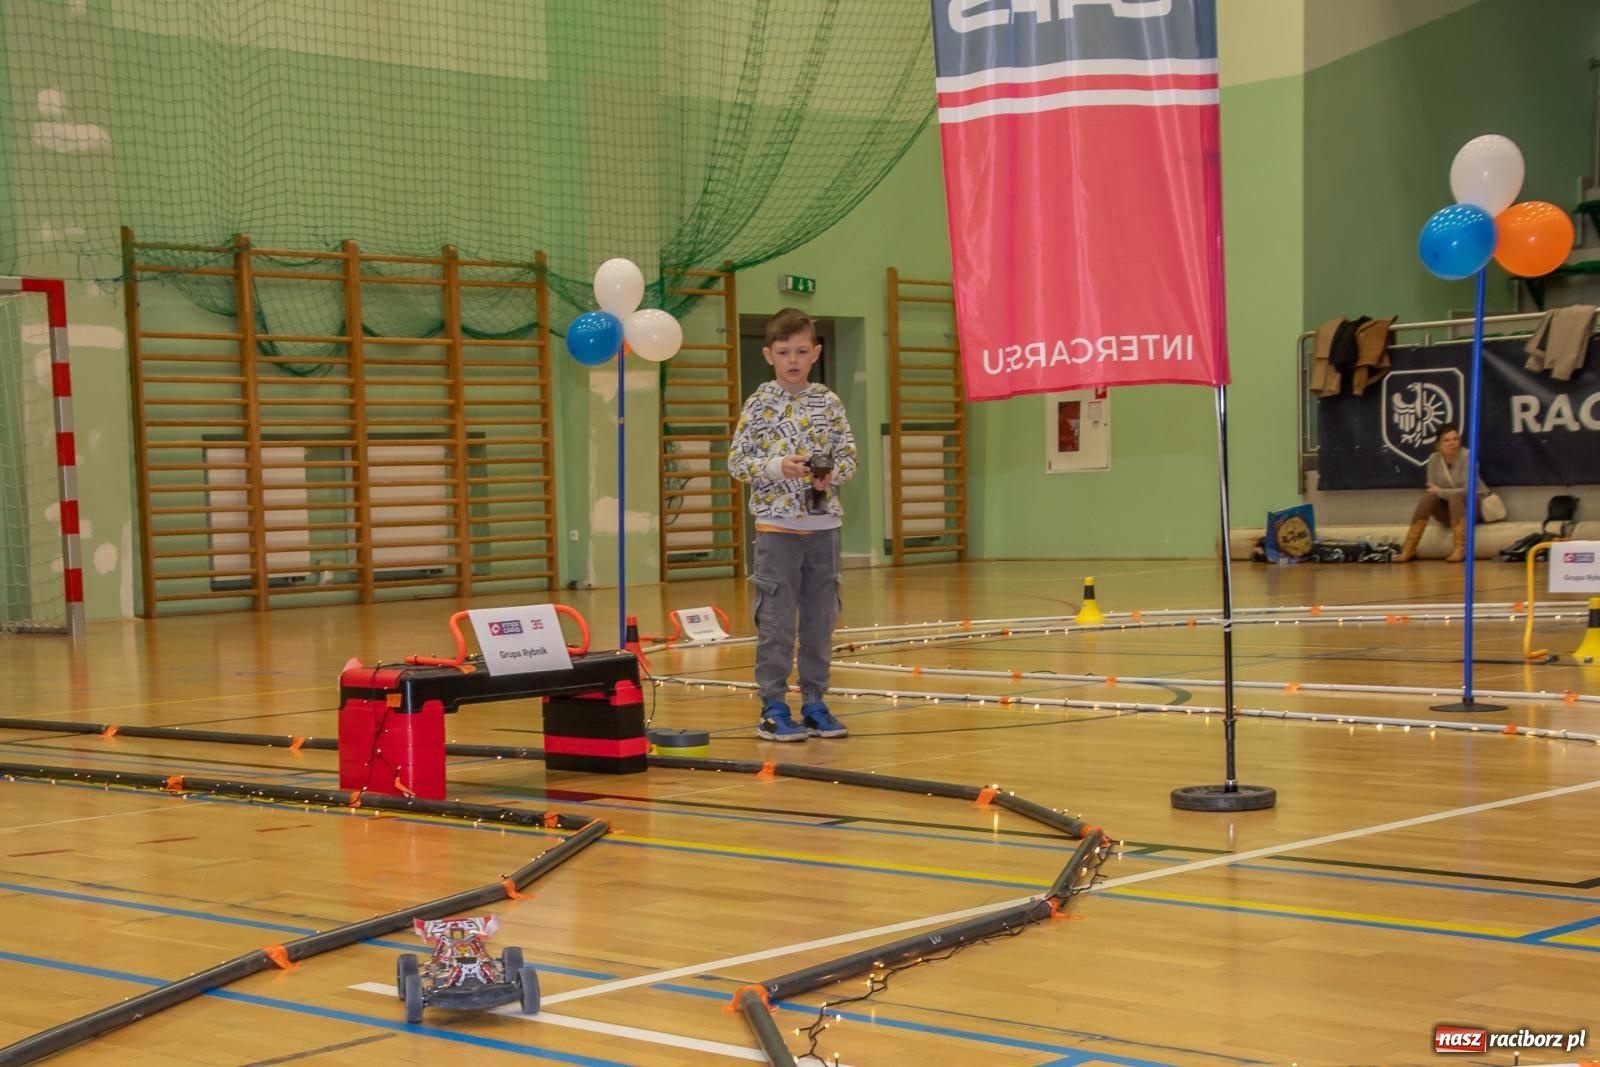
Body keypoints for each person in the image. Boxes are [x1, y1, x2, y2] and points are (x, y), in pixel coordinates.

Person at [728, 308, 857, 741]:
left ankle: (816, 702)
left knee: (821, 621)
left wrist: (830, 473)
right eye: (784, 352)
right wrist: (777, 466)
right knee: (778, 622)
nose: (793, 359)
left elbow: (850, 457)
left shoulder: (829, 402)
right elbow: (737, 462)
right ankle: (774, 706)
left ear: (815, 352)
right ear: (769, 354)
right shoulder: (759, 404)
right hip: (776, 529)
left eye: (802, 350)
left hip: (823, 530)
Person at [1394, 423, 1490, 563]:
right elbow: (1431, 489)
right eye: (1447, 440)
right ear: (1438, 445)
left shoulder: (1468, 456)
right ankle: (1409, 547)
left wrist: (1441, 491)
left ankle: (1460, 549)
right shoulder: (1433, 460)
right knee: (1428, 498)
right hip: (1449, 512)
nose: (1452, 443)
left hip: (1473, 508)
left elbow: (1469, 489)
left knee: (1455, 497)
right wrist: (1439, 492)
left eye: (1455, 439)